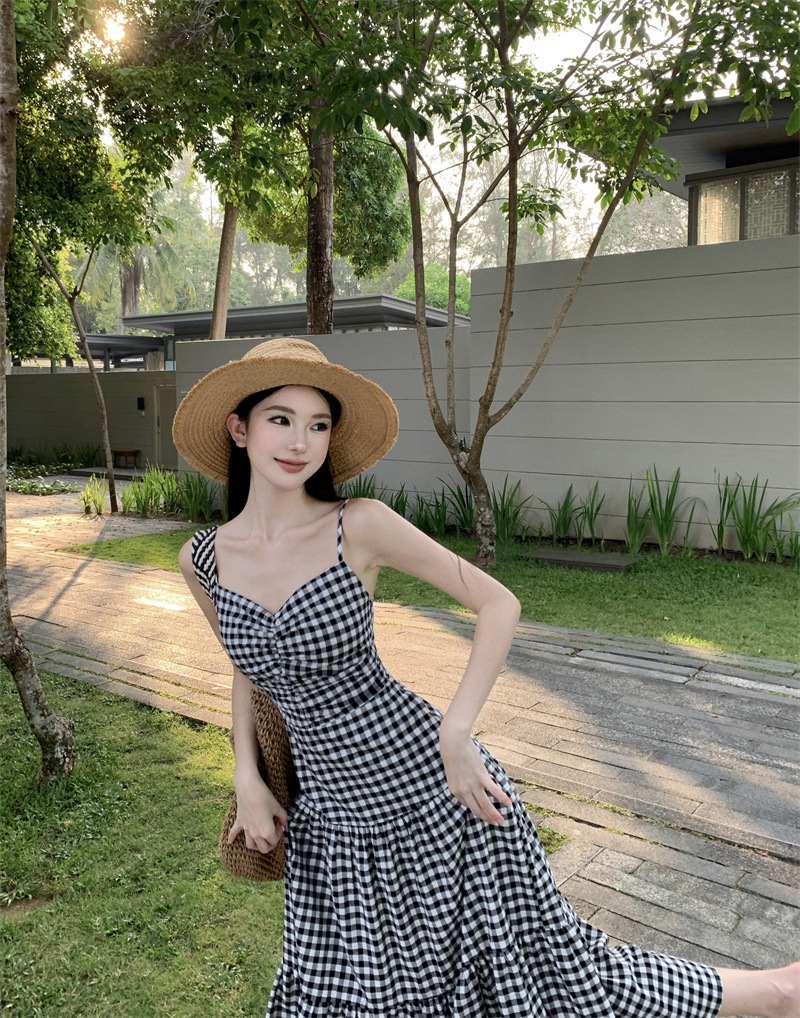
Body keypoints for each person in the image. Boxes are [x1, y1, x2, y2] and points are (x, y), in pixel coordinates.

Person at [173, 337, 798, 1018]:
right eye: (281, 419)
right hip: (330, 819)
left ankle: (775, 995)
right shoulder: (203, 558)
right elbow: (247, 670)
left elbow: (499, 603)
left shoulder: (358, 526)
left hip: (433, 792)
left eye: (318, 425)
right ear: (239, 428)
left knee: (553, 974)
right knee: (338, 998)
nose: (301, 442)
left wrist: (456, 732)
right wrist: (247, 776)